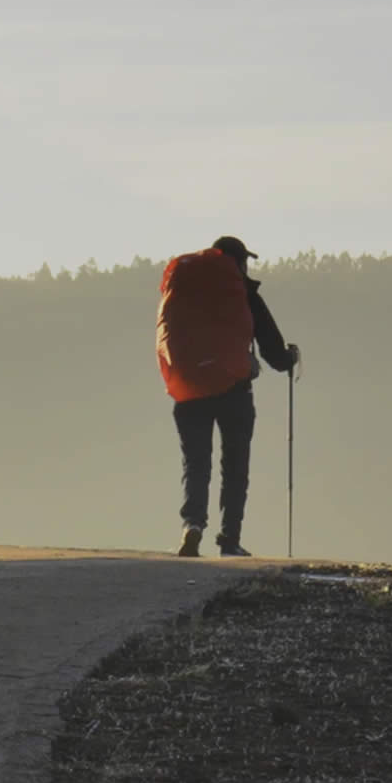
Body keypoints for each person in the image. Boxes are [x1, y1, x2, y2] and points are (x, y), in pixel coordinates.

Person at [158, 235, 299, 558]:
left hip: (189, 389)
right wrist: (289, 359)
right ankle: (229, 539)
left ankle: (192, 525)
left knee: (196, 464)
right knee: (234, 467)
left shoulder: (183, 289)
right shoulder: (242, 292)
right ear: (237, 262)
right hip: (234, 391)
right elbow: (272, 349)